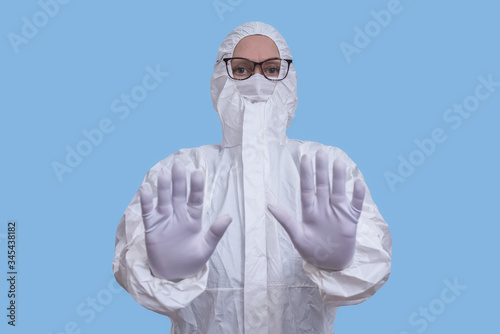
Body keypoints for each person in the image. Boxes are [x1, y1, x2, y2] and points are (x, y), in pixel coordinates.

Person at [113, 21, 392, 333]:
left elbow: (372, 266)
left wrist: (339, 261)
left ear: (290, 78)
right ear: (221, 76)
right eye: (242, 70)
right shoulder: (178, 173)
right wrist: (167, 272)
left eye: (272, 69)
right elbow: (130, 264)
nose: (257, 80)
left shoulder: (325, 168)